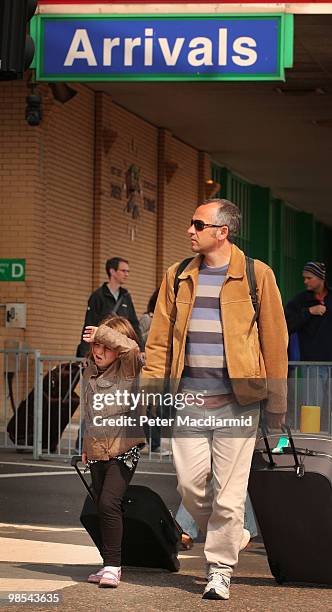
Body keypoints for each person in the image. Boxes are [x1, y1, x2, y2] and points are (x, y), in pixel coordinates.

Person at [142, 198, 288, 600]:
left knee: (228, 493)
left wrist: (276, 402)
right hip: (188, 401)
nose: (190, 230)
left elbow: (275, 343)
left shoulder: (257, 276)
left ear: (222, 232)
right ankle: (233, 531)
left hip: (238, 403)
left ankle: (219, 568)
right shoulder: (177, 277)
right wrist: (151, 392)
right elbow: (158, 343)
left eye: (198, 224)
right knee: (190, 487)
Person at [81, 316, 145, 588]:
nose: (98, 351)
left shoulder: (127, 368)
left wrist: (104, 332)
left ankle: (113, 566)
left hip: (124, 448)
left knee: (109, 502)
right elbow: (90, 414)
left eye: (105, 346)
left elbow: (131, 348)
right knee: (101, 506)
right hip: (97, 449)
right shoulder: (89, 371)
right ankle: (108, 563)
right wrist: (85, 447)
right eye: (96, 345)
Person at [285, 261, 332, 429]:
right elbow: (287, 324)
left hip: (329, 360)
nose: (305, 281)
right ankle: (311, 436)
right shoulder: (299, 301)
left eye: (309, 278)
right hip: (311, 363)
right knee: (312, 405)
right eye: (304, 278)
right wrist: (309, 312)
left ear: (321, 278)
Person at [77, 257, 143, 357]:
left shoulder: (126, 296)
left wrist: (141, 348)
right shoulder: (98, 296)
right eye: (123, 271)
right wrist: (84, 354)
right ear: (112, 271)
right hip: (103, 350)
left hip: (122, 349)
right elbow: (89, 324)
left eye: (128, 271)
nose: (127, 274)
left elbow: (134, 324)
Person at [139, 288, 163, 452]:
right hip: (147, 367)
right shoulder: (147, 318)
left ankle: (155, 443)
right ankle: (144, 442)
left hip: (161, 368)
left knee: (158, 407)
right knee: (145, 407)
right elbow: (139, 338)